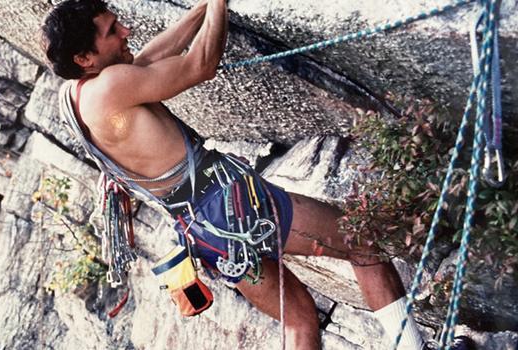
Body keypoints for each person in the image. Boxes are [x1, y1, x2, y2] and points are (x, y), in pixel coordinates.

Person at [41, 1, 472, 349]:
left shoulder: (80, 94)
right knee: (363, 243)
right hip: (237, 206)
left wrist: (198, 10)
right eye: (112, 31)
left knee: (300, 320)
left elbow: (149, 59)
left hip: (207, 233)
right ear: (85, 58)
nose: (125, 33)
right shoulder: (110, 87)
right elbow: (200, 65)